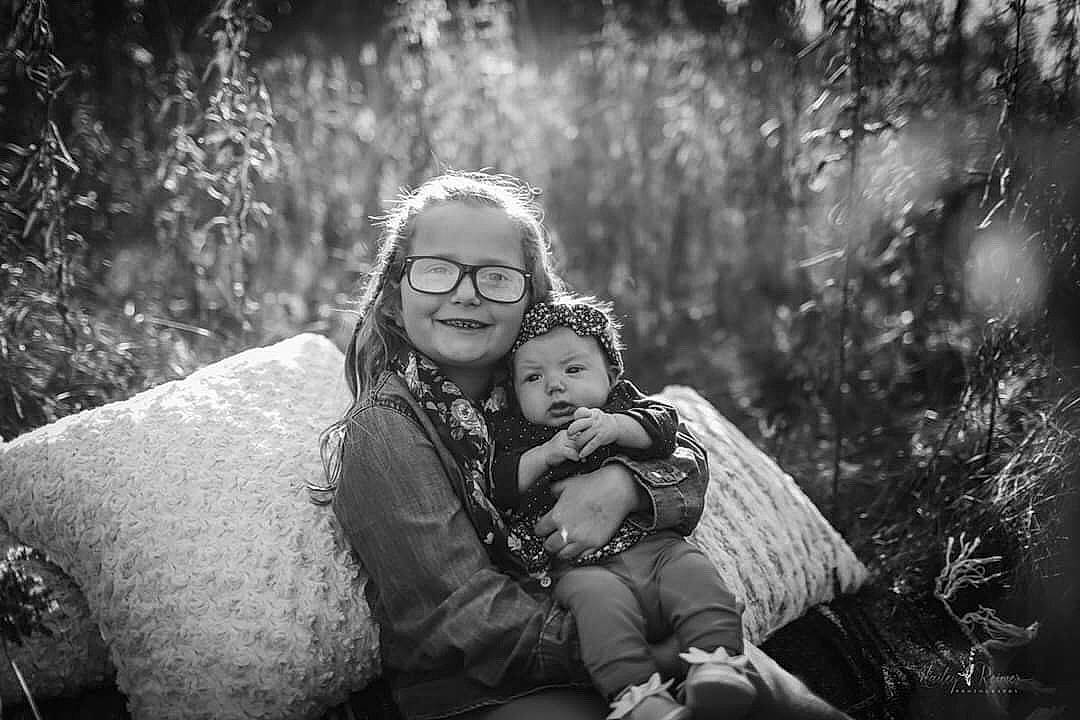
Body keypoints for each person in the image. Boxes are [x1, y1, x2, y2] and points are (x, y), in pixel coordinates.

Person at [319, 170, 854, 720]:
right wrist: (632, 647)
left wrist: (621, 484)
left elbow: (683, 458)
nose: (466, 293)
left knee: (776, 697)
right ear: (393, 292)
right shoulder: (387, 430)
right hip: (497, 688)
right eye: (437, 270)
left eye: (496, 277)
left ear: (531, 292)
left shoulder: (547, 371)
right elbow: (462, 621)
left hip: (628, 608)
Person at [489, 295, 757, 720]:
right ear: (513, 392)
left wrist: (615, 425)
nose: (554, 385)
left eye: (573, 369)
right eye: (533, 378)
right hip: (581, 569)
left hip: (657, 549)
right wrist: (543, 456)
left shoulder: (620, 408)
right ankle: (639, 698)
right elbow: (498, 485)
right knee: (599, 615)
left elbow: (664, 428)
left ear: (612, 375)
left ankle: (717, 665)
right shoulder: (515, 435)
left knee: (697, 578)